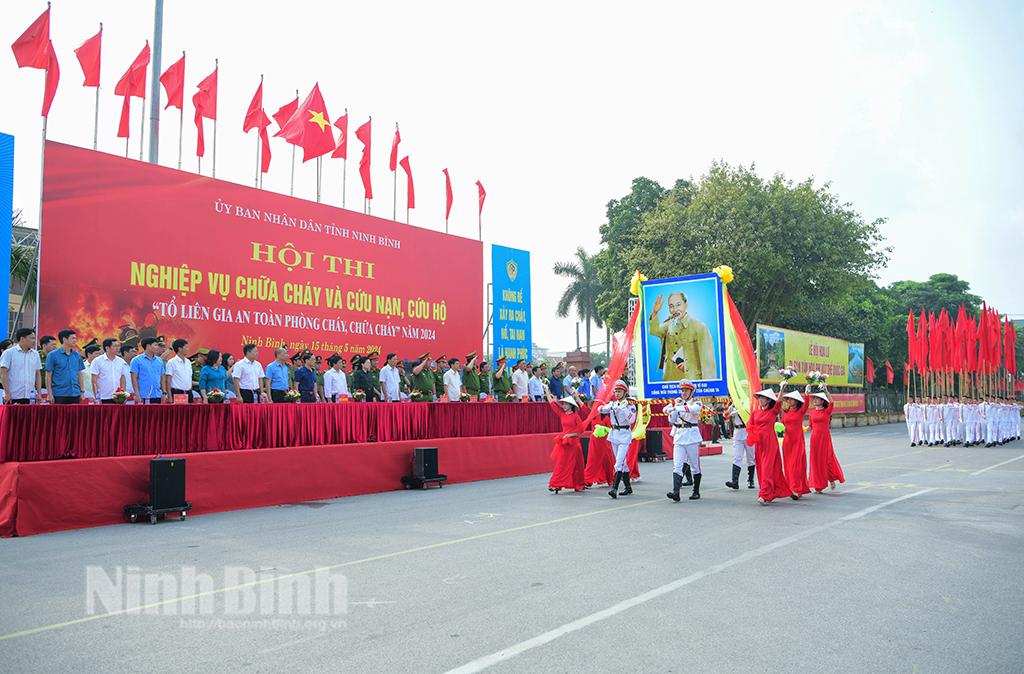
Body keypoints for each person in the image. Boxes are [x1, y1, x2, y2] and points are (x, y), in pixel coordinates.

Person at [648, 291, 717, 381]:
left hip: (691, 383)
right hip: (670, 382)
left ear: (686, 305)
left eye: (678, 305)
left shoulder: (699, 327)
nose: (675, 309)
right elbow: (654, 331)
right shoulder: (668, 324)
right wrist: (655, 312)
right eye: (671, 306)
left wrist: (708, 389)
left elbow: (708, 362)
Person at [746, 388, 795, 505]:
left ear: (768, 400)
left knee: (767, 468)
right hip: (759, 444)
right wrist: (753, 435)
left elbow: (778, 402)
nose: (760, 400)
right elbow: (750, 425)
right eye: (759, 398)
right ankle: (776, 491)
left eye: (762, 398)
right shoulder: (755, 413)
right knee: (762, 469)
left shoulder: (773, 411)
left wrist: (782, 388)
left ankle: (764, 494)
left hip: (770, 443)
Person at [664, 380, 703, 501]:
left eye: (686, 390)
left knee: (694, 466)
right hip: (679, 436)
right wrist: (671, 410)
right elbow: (671, 419)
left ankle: (696, 491)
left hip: (691, 436)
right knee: (677, 465)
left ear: (691, 392)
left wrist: (676, 407)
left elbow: (691, 409)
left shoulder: (697, 403)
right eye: (682, 390)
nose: (683, 393)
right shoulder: (678, 403)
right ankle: (676, 492)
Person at [545, 387, 588, 493]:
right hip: (564, 442)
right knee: (561, 463)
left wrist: (569, 435)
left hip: (573, 443)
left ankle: (577, 483)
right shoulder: (562, 414)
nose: (564, 406)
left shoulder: (575, 416)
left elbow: (581, 431)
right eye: (563, 404)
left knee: (574, 465)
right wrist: (546, 390)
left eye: (566, 404)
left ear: (571, 406)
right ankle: (556, 484)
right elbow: (551, 403)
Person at [599, 380, 637, 498]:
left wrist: (622, 409)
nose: (617, 394)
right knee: (623, 463)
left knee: (618, 463)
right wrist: (604, 407)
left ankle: (614, 489)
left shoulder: (630, 405)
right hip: (614, 434)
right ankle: (628, 487)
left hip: (624, 434)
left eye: (619, 391)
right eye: (616, 391)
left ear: (625, 392)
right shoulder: (613, 403)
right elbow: (600, 410)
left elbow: (631, 420)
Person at [807, 385, 845, 492]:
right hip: (814, 439)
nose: (814, 400)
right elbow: (810, 426)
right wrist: (804, 429)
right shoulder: (812, 412)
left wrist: (826, 391)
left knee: (826, 460)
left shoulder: (827, 411)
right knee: (815, 461)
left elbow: (832, 403)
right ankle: (818, 485)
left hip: (824, 439)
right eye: (814, 398)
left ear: (823, 401)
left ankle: (831, 479)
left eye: (817, 398)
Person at [779, 385, 811, 498]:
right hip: (787, 442)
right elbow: (783, 424)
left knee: (796, 465)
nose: (789, 401)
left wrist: (807, 392)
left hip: (798, 441)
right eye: (788, 399)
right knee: (788, 466)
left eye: (792, 399)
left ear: (797, 401)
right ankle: (791, 487)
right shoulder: (785, 412)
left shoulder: (800, 411)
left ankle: (797, 489)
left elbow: (806, 404)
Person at [0, 328, 42, 404]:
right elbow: (3, 374)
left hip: (30, 396)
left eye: (34, 338)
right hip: (12, 396)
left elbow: (38, 374)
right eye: (31, 338)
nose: (34, 341)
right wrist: (7, 393)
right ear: (22, 338)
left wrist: (39, 393)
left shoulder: (35, 354)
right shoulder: (9, 353)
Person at [46, 329, 85, 404]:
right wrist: (50, 394)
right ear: (64, 339)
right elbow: (48, 376)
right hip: (59, 394)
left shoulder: (77, 355)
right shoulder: (52, 355)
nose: (75, 340)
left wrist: (82, 391)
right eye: (72, 338)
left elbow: (80, 374)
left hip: (75, 393)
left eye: (75, 338)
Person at [725, 399, 756, 489]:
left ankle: (751, 480)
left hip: (748, 432)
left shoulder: (749, 403)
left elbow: (748, 411)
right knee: (737, 457)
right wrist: (733, 406)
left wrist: (738, 409)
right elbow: (727, 414)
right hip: (738, 432)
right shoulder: (734, 405)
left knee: (750, 458)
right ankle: (735, 481)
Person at [130, 336, 167, 403]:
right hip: (143, 396)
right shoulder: (136, 360)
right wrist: (137, 394)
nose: (157, 347)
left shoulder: (159, 360)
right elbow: (134, 378)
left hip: (157, 395)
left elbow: (162, 377)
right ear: (148, 346)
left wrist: (164, 392)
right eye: (155, 345)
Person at [90, 338, 126, 404]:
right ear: (107, 348)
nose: (118, 348)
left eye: (118, 346)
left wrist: (123, 394)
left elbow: (122, 378)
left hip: (118, 397)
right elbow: (94, 380)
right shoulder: (97, 361)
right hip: (103, 397)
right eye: (115, 346)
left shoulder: (121, 361)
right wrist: (97, 396)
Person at [163, 339, 193, 403]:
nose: (188, 349)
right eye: (186, 347)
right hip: (177, 393)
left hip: (189, 393)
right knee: (179, 412)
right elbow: (168, 380)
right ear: (180, 349)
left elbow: (189, 378)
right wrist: (169, 396)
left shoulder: (188, 362)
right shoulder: (171, 362)